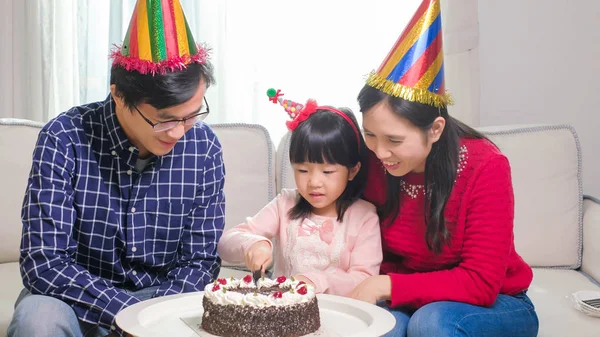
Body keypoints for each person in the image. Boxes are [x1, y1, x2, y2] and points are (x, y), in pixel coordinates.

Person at [7, 1, 225, 337]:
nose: (180, 132)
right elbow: (45, 262)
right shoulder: (64, 137)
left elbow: (199, 262)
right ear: (119, 96)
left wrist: (155, 319)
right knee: (37, 320)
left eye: (193, 113)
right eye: (165, 120)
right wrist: (128, 317)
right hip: (74, 298)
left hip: (162, 300)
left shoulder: (204, 147)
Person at [346, 0, 540, 336]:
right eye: (370, 135)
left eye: (394, 140)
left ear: (434, 129)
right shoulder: (374, 160)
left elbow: (480, 282)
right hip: (409, 299)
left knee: (432, 324)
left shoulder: (486, 166)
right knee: (377, 329)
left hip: (494, 303)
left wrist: (386, 285)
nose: (379, 151)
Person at [217, 88, 382, 295]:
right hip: (282, 312)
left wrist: (314, 281)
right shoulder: (285, 203)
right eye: (302, 170)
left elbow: (365, 278)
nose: (314, 182)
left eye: (327, 171)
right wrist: (254, 244)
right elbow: (225, 242)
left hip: (339, 315)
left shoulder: (364, 216)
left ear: (352, 170)